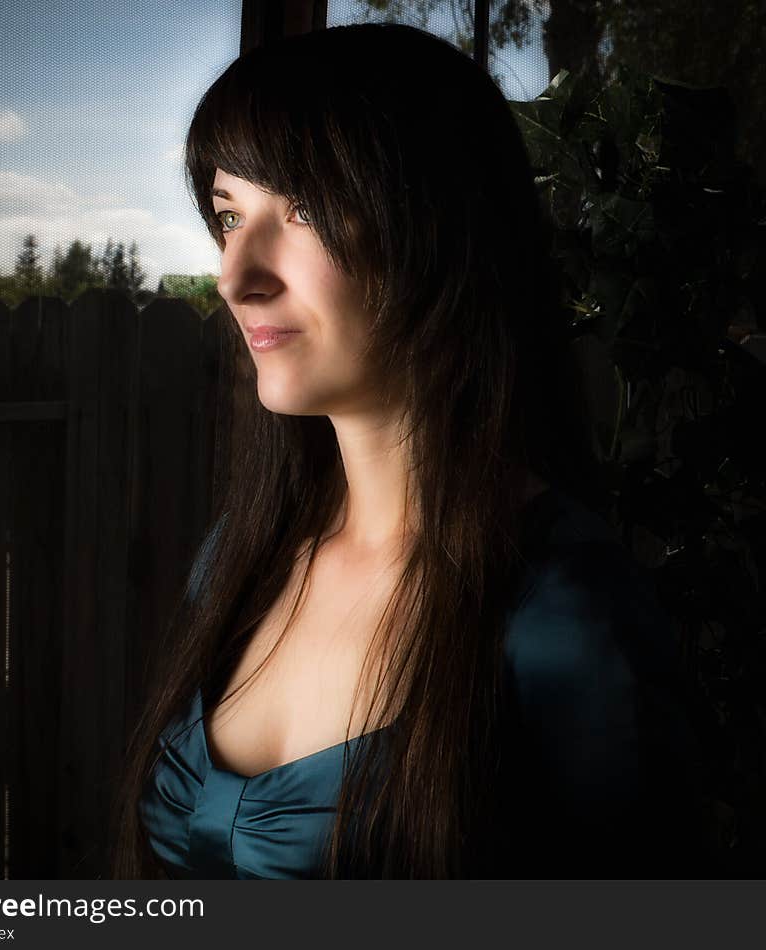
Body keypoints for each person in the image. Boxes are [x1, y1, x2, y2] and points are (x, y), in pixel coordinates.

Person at [111, 22, 705, 879]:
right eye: (229, 216)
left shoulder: (565, 617)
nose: (236, 276)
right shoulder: (235, 563)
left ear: (440, 227)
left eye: (305, 208)